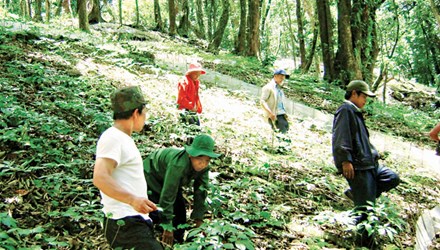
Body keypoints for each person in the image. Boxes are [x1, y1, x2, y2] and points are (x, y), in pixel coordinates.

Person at [331, 80, 400, 247]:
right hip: (359, 166)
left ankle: (357, 193)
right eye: (364, 96)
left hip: (370, 164)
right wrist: (346, 160)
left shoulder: (354, 111)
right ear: (354, 93)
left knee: (391, 177)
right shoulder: (346, 109)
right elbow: (340, 137)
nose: (365, 101)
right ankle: (364, 243)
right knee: (365, 211)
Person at [93, 86, 162, 250]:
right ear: (135, 113)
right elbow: (100, 177)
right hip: (124, 223)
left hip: (132, 221)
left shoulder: (122, 138)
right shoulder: (113, 137)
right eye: (144, 112)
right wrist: (133, 200)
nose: (145, 118)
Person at [143, 134, 221, 246]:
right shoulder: (178, 165)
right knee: (156, 209)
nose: (202, 163)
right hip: (152, 174)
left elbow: (201, 192)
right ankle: (156, 237)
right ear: (190, 155)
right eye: (199, 158)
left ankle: (178, 242)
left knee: (180, 212)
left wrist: (198, 218)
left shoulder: (204, 168)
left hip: (170, 178)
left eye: (207, 160)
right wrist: (167, 226)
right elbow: (168, 195)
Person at [260, 69, 290, 133]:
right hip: (274, 115)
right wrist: (270, 113)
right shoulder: (268, 87)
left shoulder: (280, 88)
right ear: (275, 76)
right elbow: (262, 101)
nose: (282, 79)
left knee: (285, 134)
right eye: (281, 77)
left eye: (283, 78)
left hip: (282, 115)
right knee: (282, 136)